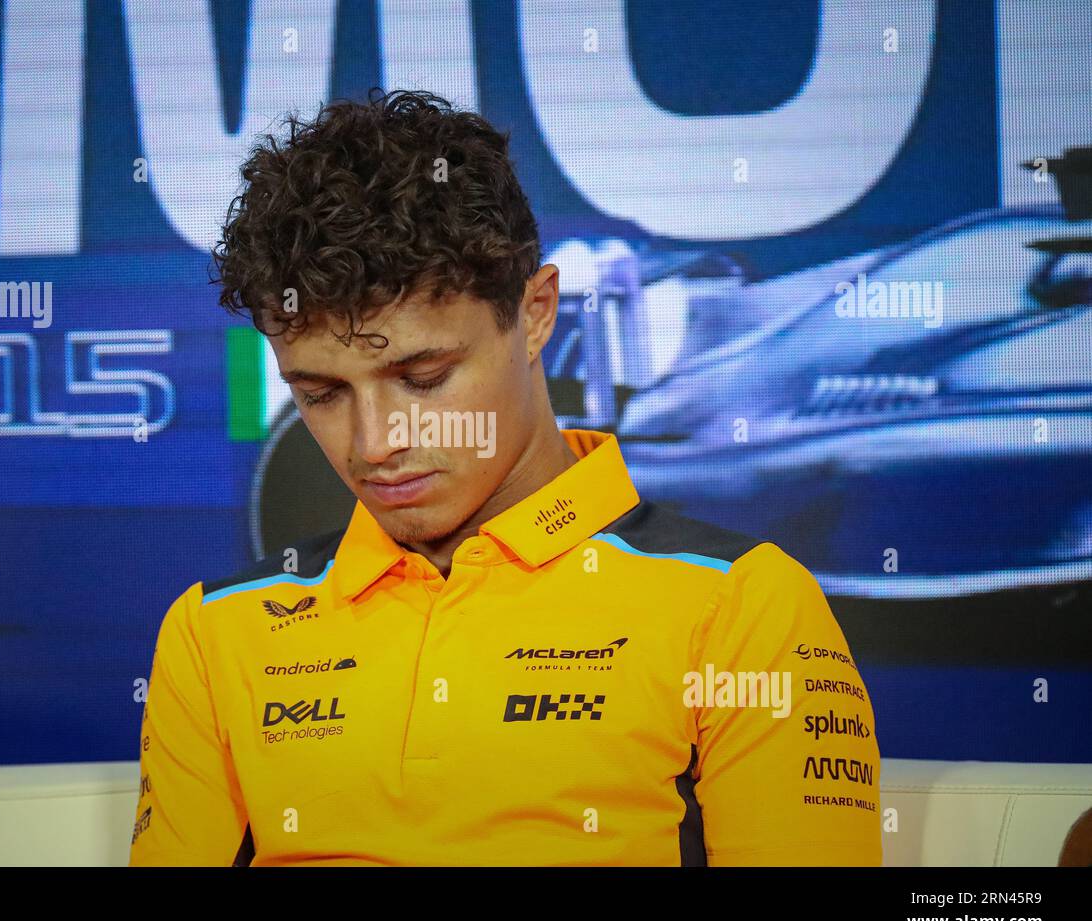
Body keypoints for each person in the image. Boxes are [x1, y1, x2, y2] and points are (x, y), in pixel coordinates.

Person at [129, 89, 881, 866]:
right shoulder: (216, 629)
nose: (376, 443)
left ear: (535, 314)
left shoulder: (742, 608)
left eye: (423, 376)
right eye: (320, 394)